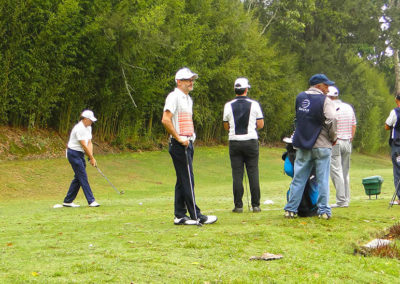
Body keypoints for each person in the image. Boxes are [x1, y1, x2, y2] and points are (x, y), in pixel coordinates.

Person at [161, 67, 217, 225]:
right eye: (187, 80)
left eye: (192, 80)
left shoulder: (188, 98)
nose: (191, 82)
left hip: (187, 143)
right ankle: (196, 215)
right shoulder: (174, 96)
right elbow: (166, 119)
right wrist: (178, 138)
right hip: (180, 144)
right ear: (179, 82)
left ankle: (179, 215)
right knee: (188, 179)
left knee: (182, 179)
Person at [284, 74, 337, 219]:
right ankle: (324, 211)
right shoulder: (325, 100)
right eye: (326, 85)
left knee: (299, 178)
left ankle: (291, 210)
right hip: (322, 145)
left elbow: (298, 119)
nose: (328, 89)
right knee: (322, 179)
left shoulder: (300, 97)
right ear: (319, 86)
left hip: (302, 145)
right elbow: (331, 118)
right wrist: (333, 137)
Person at [223, 78, 264, 213]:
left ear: (235, 90)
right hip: (251, 140)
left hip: (234, 142)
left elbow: (226, 125)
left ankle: (238, 205)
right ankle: (256, 205)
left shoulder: (228, 105)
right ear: (246, 90)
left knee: (237, 174)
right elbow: (260, 124)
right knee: (253, 172)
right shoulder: (254, 104)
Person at [327, 86, 357, 208]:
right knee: (345, 172)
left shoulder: (331, 108)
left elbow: (331, 125)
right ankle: (346, 199)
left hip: (336, 142)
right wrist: (350, 138)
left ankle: (341, 201)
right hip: (347, 142)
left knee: (336, 171)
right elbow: (354, 124)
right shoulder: (348, 107)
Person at [63, 110, 100, 208]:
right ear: (85, 119)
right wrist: (91, 158)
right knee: (82, 176)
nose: (92, 122)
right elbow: (83, 145)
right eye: (90, 120)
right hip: (73, 153)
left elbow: (89, 142)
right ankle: (91, 201)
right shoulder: (79, 128)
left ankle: (68, 201)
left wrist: (91, 157)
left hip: (80, 154)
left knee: (78, 177)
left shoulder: (89, 128)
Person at [385, 94, 400, 205]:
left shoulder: (395, 112)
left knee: (398, 171)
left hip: (397, 145)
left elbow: (386, 126)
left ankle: (399, 198)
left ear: (396, 100)